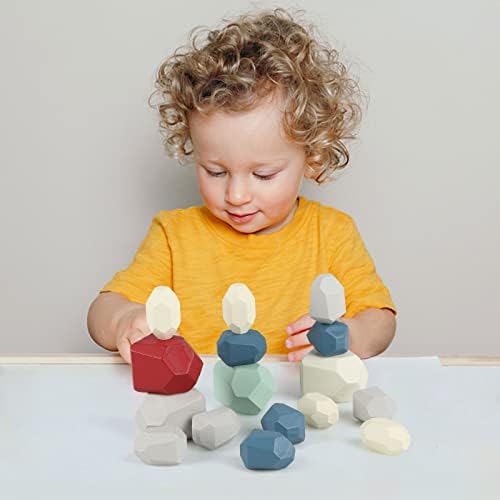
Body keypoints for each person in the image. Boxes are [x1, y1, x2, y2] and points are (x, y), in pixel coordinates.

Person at [87, 7, 396, 365]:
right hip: (201, 394)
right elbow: (101, 310)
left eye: (263, 175)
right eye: (215, 171)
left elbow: (380, 320)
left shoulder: (332, 234)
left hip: (299, 394)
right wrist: (123, 320)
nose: (236, 196)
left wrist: (348, 335)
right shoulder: (174, 236)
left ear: (312, 157)